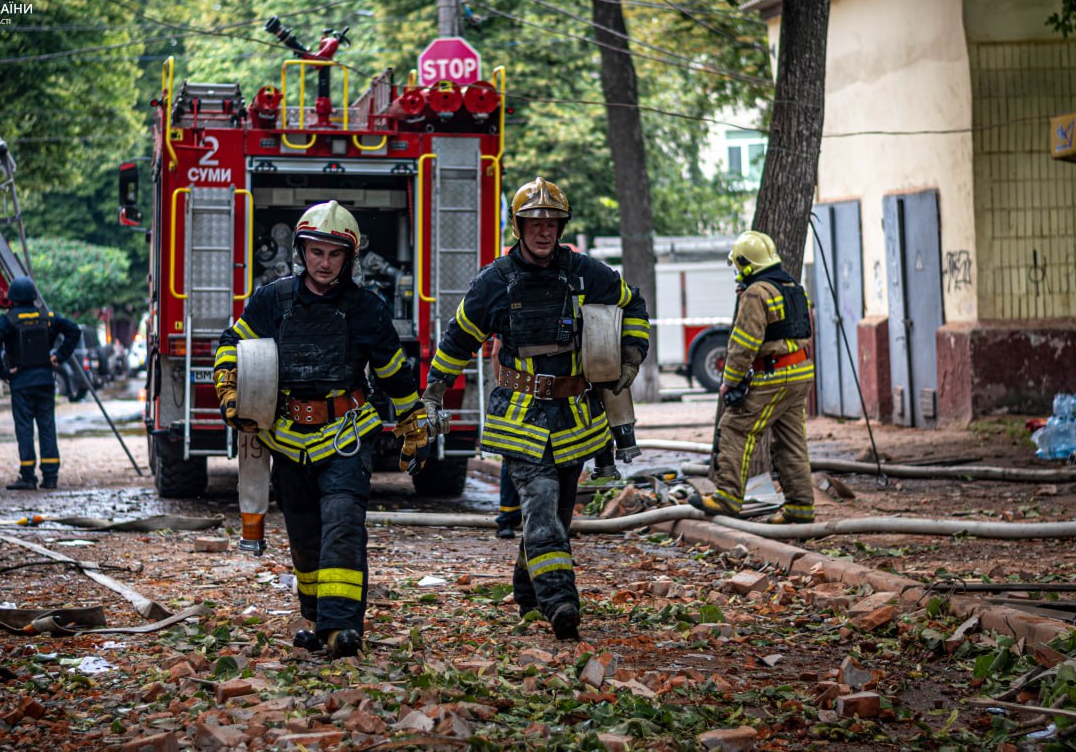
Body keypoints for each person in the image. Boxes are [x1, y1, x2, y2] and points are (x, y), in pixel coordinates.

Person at [422, 177, 649, 640]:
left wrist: (631, 356)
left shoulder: (587, 273)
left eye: (551, 223)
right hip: (520, 415)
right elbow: (459, 337)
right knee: (541, 506)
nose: (544, 231)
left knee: (557, 514)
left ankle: (527, 592)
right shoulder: (495, 281)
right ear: (518, 227)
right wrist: (433, 391)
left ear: (561, 226)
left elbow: (634, 304)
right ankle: (560, 601)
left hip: (576, 417)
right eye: (534, 223)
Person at [212, 201, 432, 660]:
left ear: (348, 258)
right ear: (302, 252)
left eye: (334, 254)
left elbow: (394, 374)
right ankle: (315, 617)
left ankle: (342, 627)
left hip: (347, 437)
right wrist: (230, 389)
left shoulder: (367, 308)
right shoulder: (272, 300)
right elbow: (232, 344)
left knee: (343, 528)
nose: (324, 262)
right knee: (305, 537)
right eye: (316, 252)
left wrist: (413, 421)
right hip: (288, 440)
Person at [687, 230, 816, 524]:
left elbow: (744, 344)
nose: (736, 274)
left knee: (735, 428)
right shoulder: (792, 286)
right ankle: (800, 506)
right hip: (800, 372)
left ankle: (727, 498)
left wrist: (729, 382)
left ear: (746, 265)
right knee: (790, 440)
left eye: (738, 267)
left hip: (774, 373)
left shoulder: (757, 293)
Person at [0, 276, 80, 490]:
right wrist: (59, 356)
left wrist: (3, 372)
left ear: (13, 299)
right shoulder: (47, 317)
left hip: (21, 383)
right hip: (46, 381)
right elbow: (74, 330)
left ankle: (28, 476)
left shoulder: (8, 320)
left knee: (25, 428)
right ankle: (50, 476)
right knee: (47, 426)